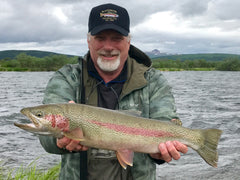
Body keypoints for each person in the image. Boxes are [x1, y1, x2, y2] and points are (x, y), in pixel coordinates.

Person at [39, 3, 188, 180]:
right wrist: (58, 140)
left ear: (128, 41)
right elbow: (46, 138)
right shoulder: (67, 78)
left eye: (116, 38)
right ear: (88, 40)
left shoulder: (153, 80)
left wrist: (160, 153)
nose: (108, 46)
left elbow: (165, 120)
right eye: (100, 38)